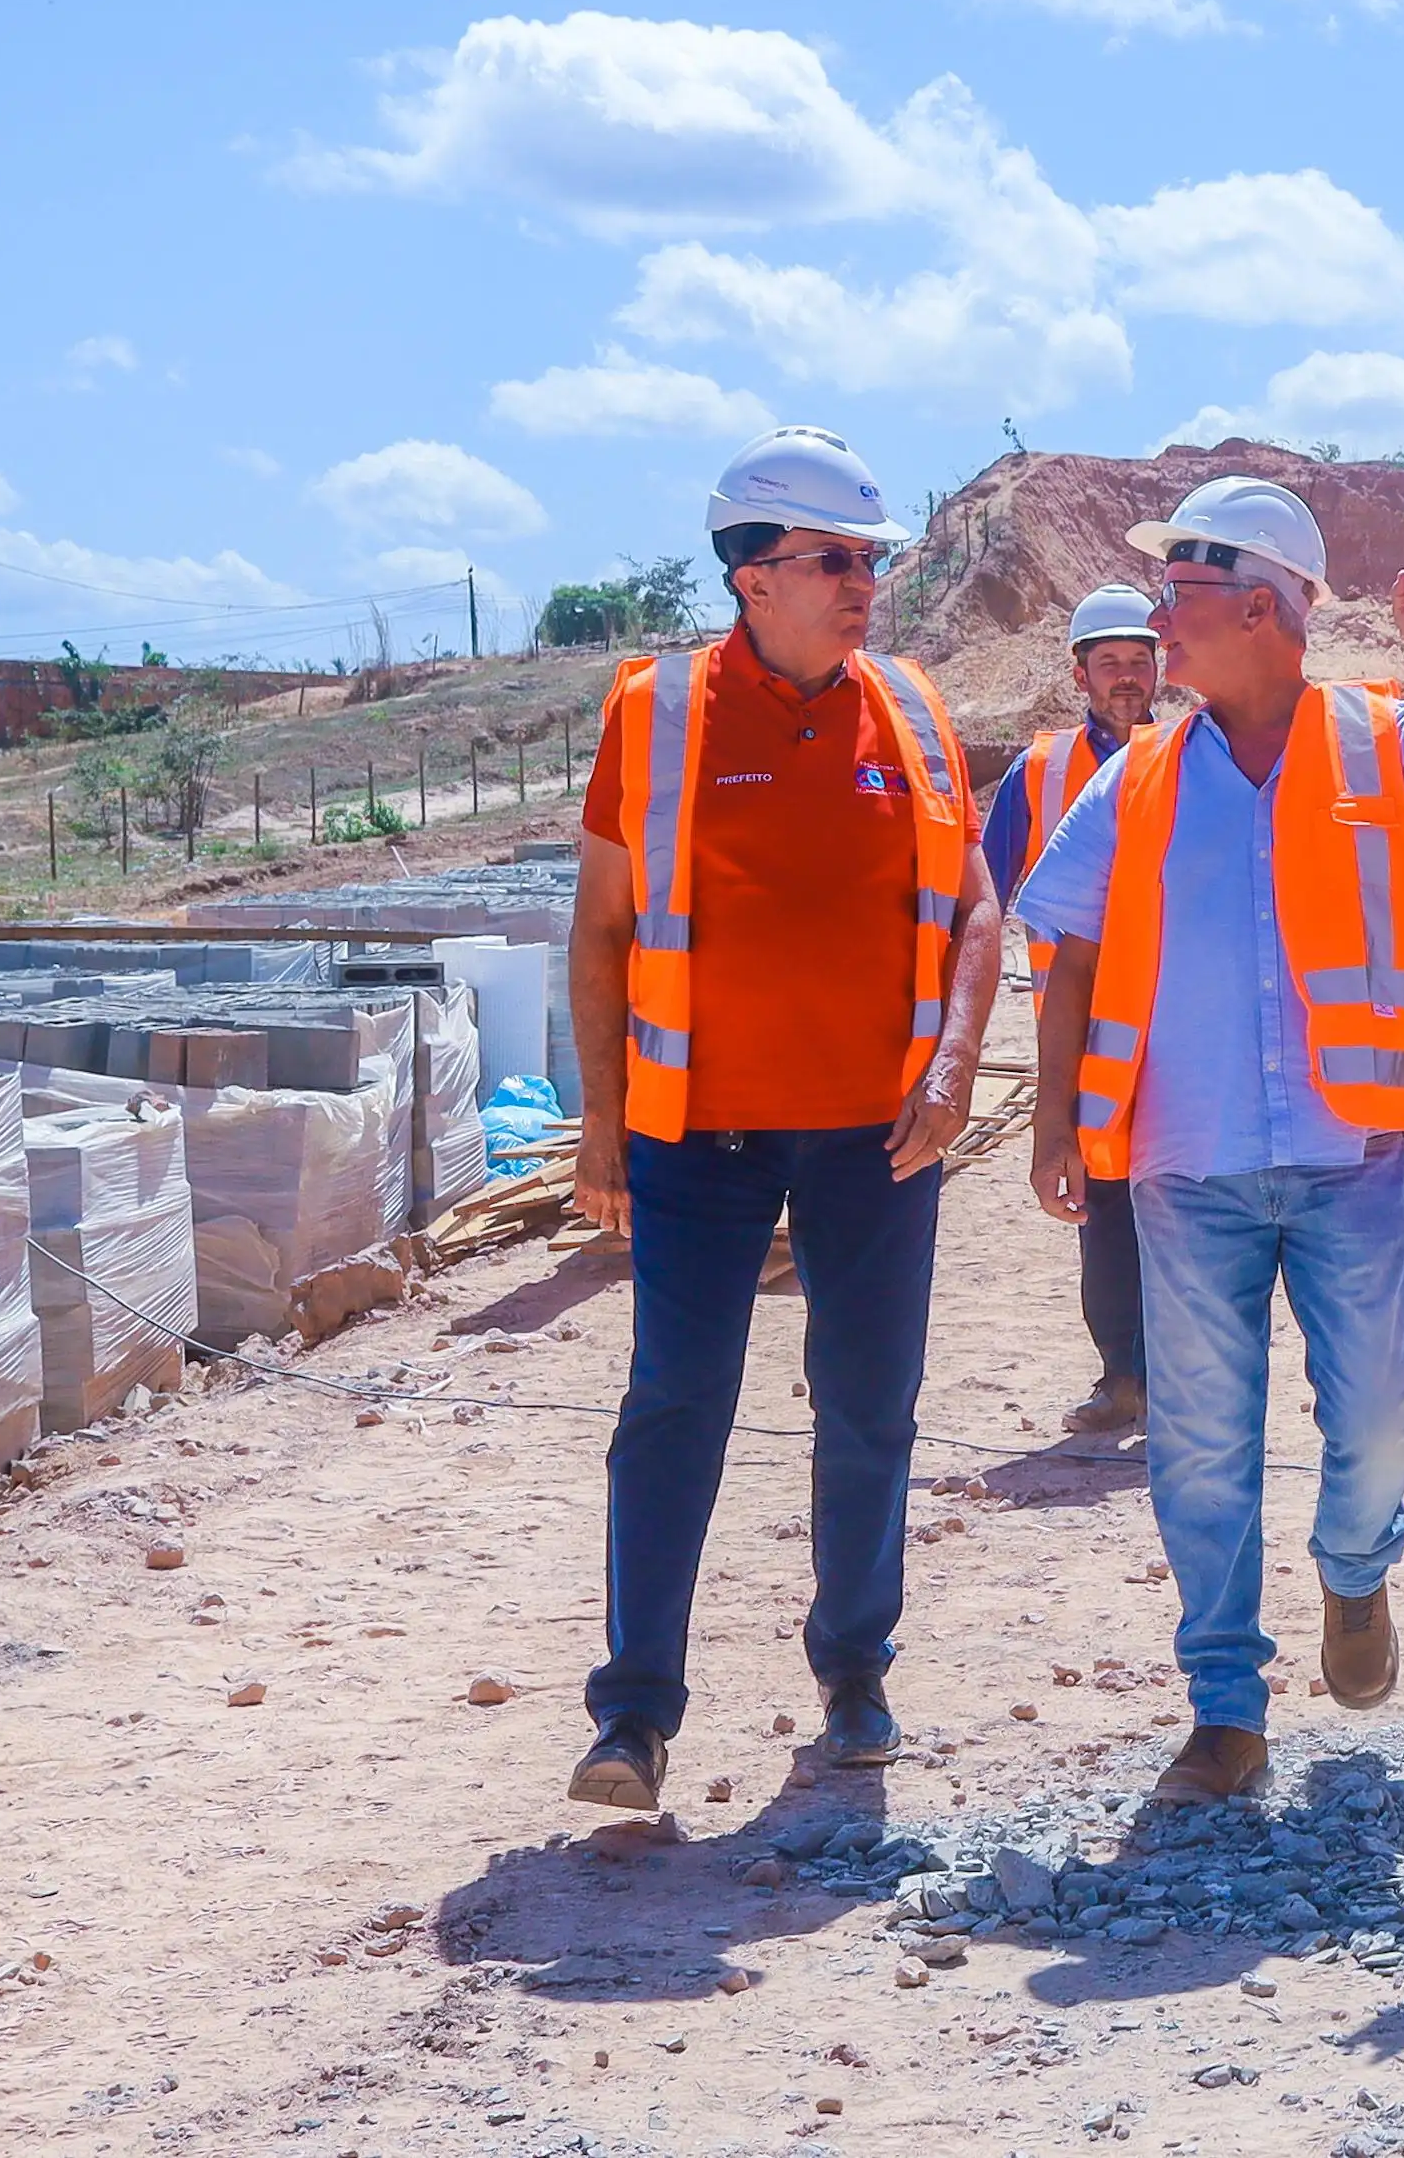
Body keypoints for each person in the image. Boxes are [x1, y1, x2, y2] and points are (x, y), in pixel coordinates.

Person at [1017, 476, 1404, 1805]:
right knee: (1199, 1439)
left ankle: (1354, 1565)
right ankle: (1225, 1703)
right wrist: (1053, 1114)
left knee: (1379, 1412)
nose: (1156, 624)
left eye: (1179, 595)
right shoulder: (1137, 777)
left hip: (1347, 1150)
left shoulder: (1387, 742)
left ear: (1262, 607)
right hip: (1182, 1164)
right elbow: (1068, 952)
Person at [564, 426, 999, 1811]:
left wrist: (953, 1069)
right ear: (752, 573)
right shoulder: (658, 710)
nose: (861, 582)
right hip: (699, 1137)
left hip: (883, 1133)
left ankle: (855, 1672)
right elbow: (602, 929)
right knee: (674, 1405)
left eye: (869, 557)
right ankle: (633, 1716)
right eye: (830, 559)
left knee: (868, 1406)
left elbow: (978, 907)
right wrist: (603, 1124)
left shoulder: (916, 708)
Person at [980, 584, 1165, 1437]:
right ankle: (1122, 1375)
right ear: (1080, 672)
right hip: (1083, 1025)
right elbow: (982, 893)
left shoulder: (1190, 751)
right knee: (1103, 1200)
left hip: (1174, 1016)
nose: (1126, 678)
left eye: (1139, 661)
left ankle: (1179, 1378)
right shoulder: (1041, 772)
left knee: (1188, 1196)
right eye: (1110, 664)